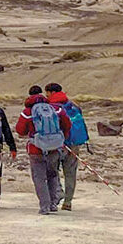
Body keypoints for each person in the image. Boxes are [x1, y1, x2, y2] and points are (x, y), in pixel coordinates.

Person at [14, 85, 71, 215]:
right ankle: (53, 204)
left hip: (36, 149)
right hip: (54, 148)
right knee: (52, 175)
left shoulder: (27, 112)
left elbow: (20, 130)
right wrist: (61, 139)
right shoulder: (55, 109)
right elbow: (67, 124)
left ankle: (44, 206)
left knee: (39, 179)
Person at [45, 83, 89, 211]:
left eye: (47, 92)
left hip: (57, 144)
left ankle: (57, 194)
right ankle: (68, 202)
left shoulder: (50, 106)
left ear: (51, 92)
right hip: (75, 143)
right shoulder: (74, 105)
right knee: (70, 173)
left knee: (52, 172)